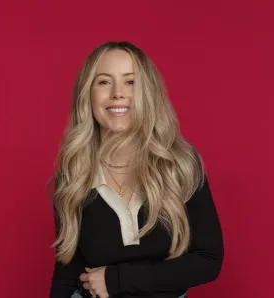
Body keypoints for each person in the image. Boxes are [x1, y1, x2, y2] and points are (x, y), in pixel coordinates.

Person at [48, 41, 224, 298]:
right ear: (88, 93)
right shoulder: (73, 175)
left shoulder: (181, 164)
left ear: (147, 92)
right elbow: (67, 271)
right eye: (104, 82)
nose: (118, 93)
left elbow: (208, 261)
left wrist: (118, 279)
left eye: (130, 82)